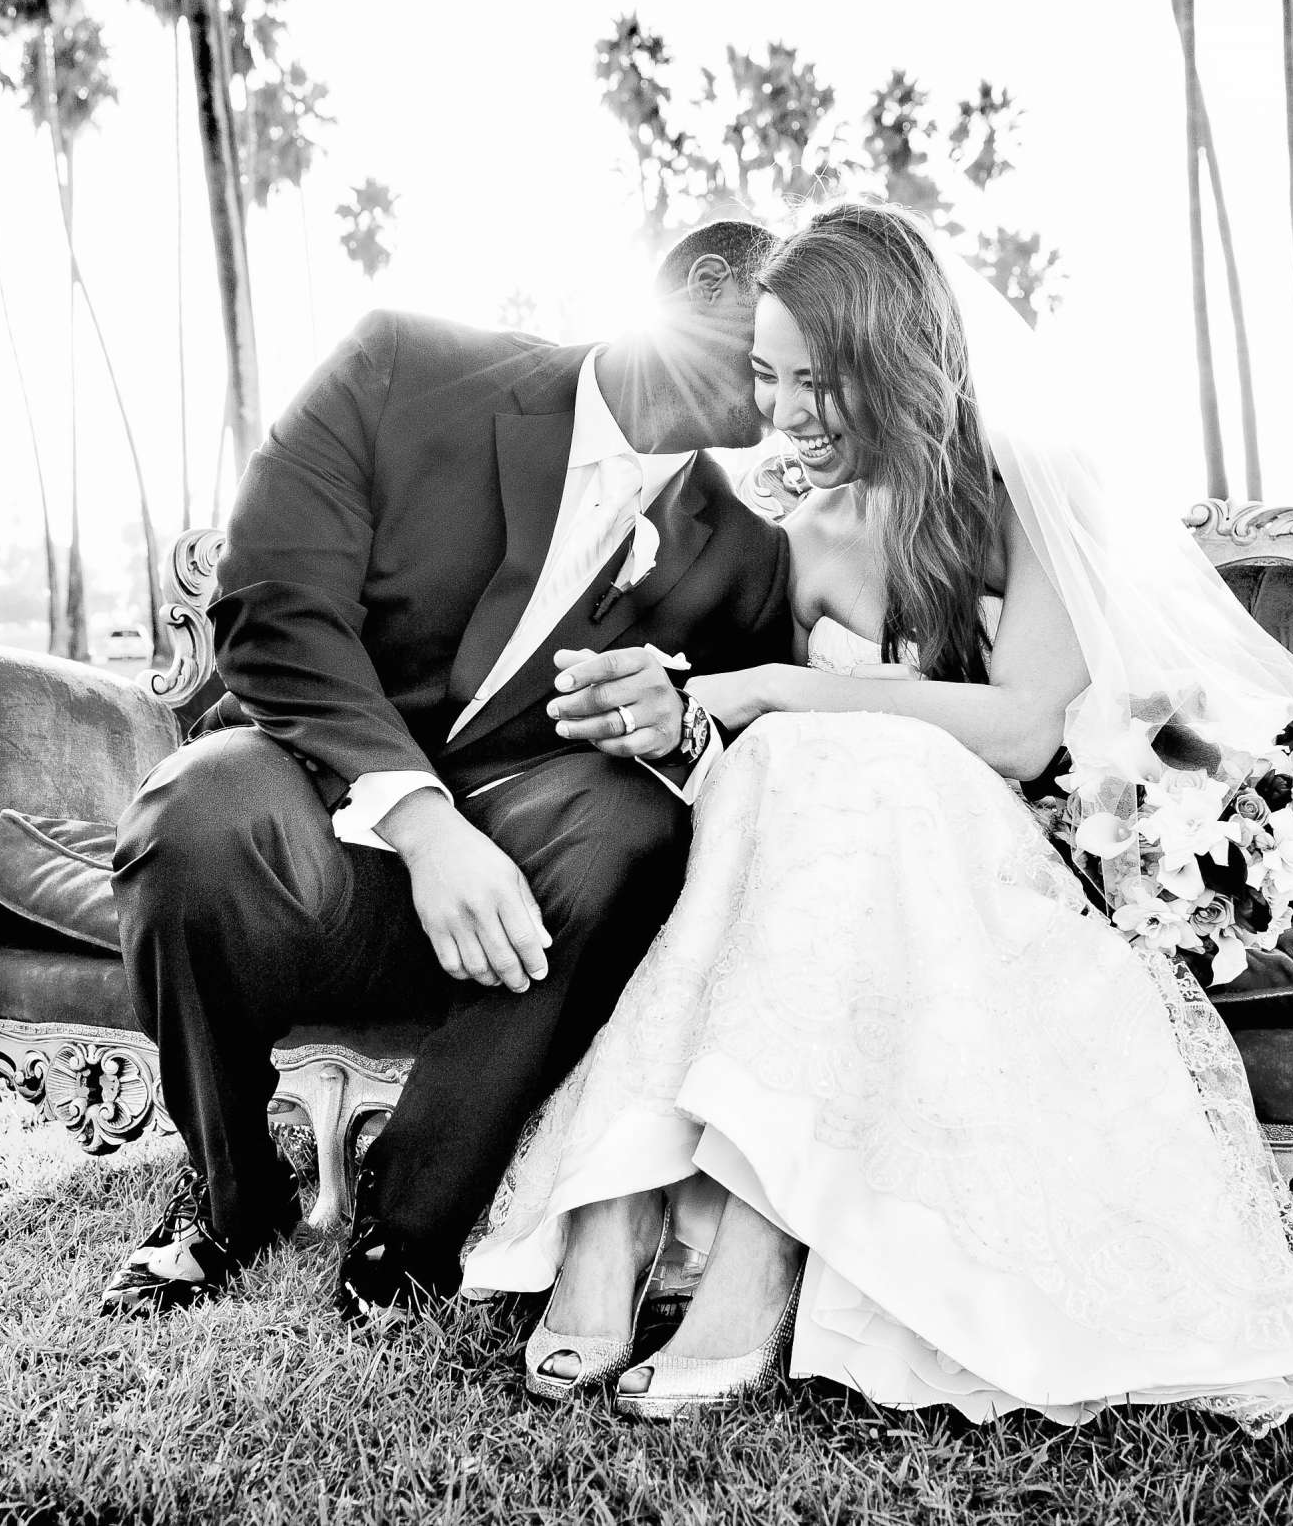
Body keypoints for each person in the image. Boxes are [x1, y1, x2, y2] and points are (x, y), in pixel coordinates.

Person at [463, 202, 1293, 1436]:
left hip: (1002, 868)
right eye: (768, 378)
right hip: (845, 870)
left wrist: (770, 687)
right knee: (809, 767)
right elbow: (738, 765)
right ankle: (623, 1217)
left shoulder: (1036, 489)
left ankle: (729, 1236)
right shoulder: (792, 526)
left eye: (824, 380)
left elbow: (1026, 729)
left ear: (902, 364)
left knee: (849, 754)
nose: (789, 415)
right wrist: (684, 706)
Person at [103, 222, 793, 1317]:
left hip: (527, 900)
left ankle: (411, 1225)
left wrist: (680, 721)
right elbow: (271, 609)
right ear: (707, 286)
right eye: (779, 342)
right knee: (193, 813)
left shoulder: (745, 551)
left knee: (631, 830)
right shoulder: (403, 370)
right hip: (311, 811)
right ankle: (230, 1197)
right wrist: (423, 823)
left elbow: (762, 755)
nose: (798, 395)